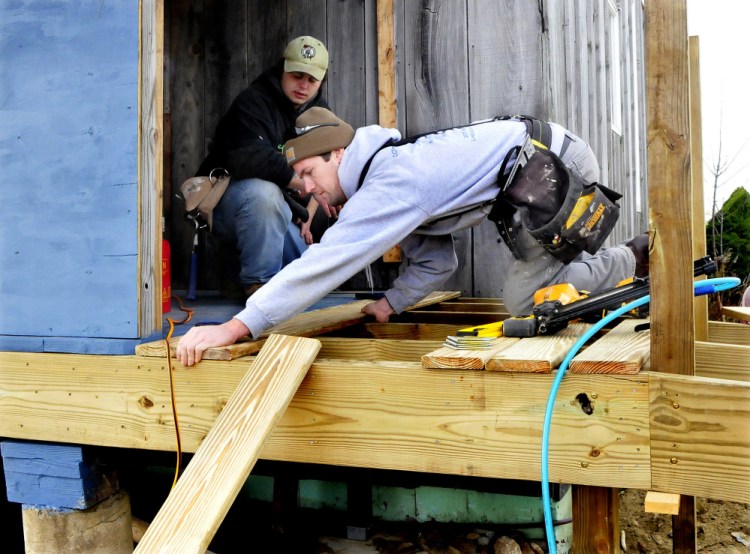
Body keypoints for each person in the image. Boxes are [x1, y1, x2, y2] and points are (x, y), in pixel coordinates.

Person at [177, 108, 648, 366]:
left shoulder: (392, 180)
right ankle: (603, 267)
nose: (305, 188)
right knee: (538, 291)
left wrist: (237, 326)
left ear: (339, 154)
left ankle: (633, 257)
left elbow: (326, 262)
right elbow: (437, 263)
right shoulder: (390, 180)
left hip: (554, 167)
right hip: (529, 178)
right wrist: (391, 303)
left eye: (309, 171)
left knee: (527, 302)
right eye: (299, 181)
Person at [196, 36, 332, 298]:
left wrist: (310, 211)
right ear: (283, 69)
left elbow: (326, 163)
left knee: (313, 280)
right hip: (230, 205)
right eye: (297, 75)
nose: (303, 85)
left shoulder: (320, 114)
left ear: (321, 82)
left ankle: (250, 279)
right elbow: (252, 157)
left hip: (281, 212)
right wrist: (304, 183)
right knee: (263, 193)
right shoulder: (254, 101)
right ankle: (259, 289)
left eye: (312, 80)